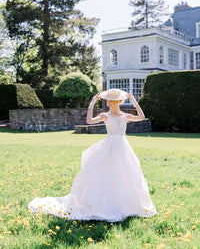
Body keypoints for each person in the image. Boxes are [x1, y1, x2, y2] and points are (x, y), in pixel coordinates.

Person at [28, 88, 157, 222]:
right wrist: (92, 103)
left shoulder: (125, 115)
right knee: (106, 173)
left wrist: (134, 102)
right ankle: (105, 203)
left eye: (110, 101)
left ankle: (122, 204)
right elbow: (89, 121)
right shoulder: (105, 115)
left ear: (116, 101)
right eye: (107, 100)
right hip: (109, 146)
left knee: (124, 172)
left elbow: (141, 117)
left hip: (122, 147)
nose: (108, 103)